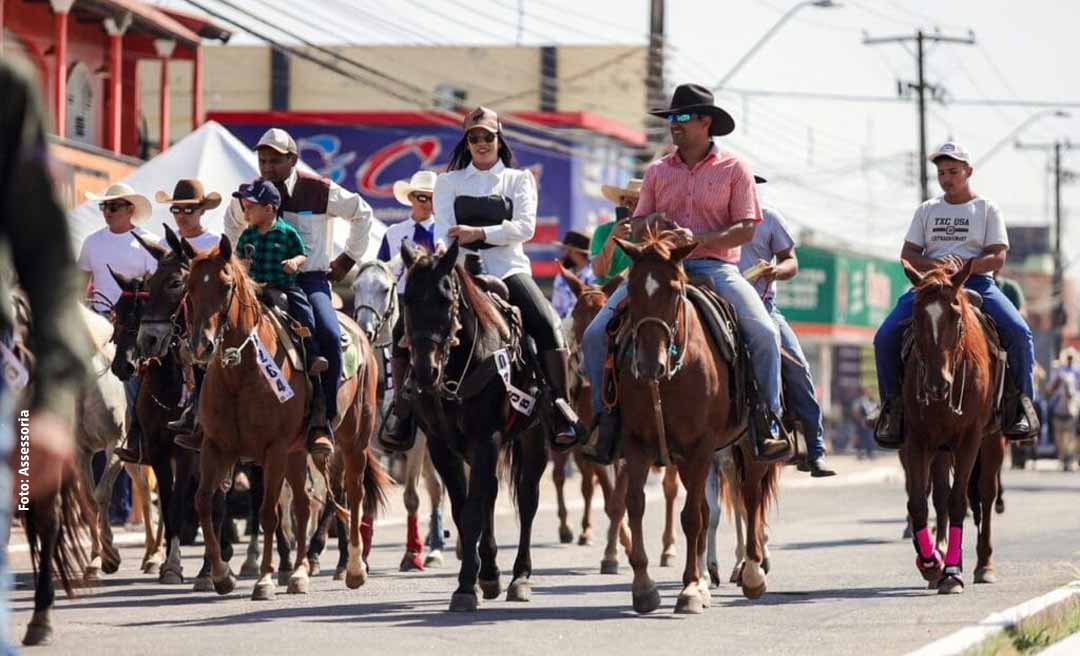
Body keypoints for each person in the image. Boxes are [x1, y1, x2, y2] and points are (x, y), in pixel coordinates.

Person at [580, 83, 789, 464]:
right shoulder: (658, 170)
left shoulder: (735, 169)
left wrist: (701, 238)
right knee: (595, 334)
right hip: (659, 268)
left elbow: (746, 228)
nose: (674, 125)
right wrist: (654, 222)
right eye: (671, 118)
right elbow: (638, 223)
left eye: (681, 118)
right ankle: (605, 420)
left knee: (763, 331)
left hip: (716, 267)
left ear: (705, 122)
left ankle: (767, 422)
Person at [0, 54, 91, 654]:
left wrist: (55, 402)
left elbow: (52, 266)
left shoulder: (5, 87)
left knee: (318, 326)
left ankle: (318, 416)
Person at [430, 106, 579, 451]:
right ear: (466, 142)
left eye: (488, 137)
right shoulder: (447, 182)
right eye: (474, 137)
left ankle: (561, 408)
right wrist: (444, 250)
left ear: (499, 140)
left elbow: (524, 228)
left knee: (548, 323)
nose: (481, 143)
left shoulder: (518, 179)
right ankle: (404, 407)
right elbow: (442, 229)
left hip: (508, 269)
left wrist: (477, 232)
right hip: (461, 270)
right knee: (415, 322)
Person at [873, 142, 1039, 447]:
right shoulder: (927, 210)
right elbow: (908, 254)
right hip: (933, 287)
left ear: (968, 172)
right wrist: (935, 265)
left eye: (953, 171)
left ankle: (1022, 406)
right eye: (941, 173)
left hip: (976, 284)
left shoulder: (987, 209)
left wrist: (968, 265)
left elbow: (998, 256)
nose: (946, 178)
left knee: (1019, 332)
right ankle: (893, 408)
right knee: (884, 337)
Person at [224, 128, 375, 456]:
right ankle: (205, 416)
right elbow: (231, 224)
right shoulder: (250, 193)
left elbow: (363, 214)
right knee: (219, 330)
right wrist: (239, 264)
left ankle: (323, 420)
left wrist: (348, 258)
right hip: (258, 282)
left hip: (308, 282)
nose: (267, 166)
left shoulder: (319, 189)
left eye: (275, 160)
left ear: (292, 159)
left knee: (330, 335)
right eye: (263, 160)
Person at [740, 181, 836, 478]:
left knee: (797, 366)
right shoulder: (715, 218)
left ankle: (813, 448)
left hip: (763, 306)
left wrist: (776, 271)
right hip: (719, 301)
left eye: (746, 183)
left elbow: (791, 261)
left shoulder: (769, 218)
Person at [80, 183, 156, 473]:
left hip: (132, 329)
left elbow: (156, 292)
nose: (107, 212)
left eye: (113, 207)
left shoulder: (148, 242)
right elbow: (79, 285)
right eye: (104, 207)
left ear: (130, 210)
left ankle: (136, 437)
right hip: (96, 322)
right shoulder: (92, 242)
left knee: (132, 383)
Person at [150, 179, 222, 443]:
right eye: (176, 210)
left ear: (203, 210)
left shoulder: (215, 242)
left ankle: (201, 418)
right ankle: (136, 431)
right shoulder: (163, 243)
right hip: (170, 320)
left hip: (205, 319)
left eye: (188, 210)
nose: (181, 215)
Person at [377, 170, 437, 448]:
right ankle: (401, 408)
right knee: (400, 338)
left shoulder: (447, 230)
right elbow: (380, 273)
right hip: (405, 302)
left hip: (440, 303)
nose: (427, 203)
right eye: (422, 197)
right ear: (411, 198)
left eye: (433, 199)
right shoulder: (394, 234)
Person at [591, 179, 641, 286]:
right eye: (628, 203)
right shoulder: (603, 231)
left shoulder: (651, 231)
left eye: (638, 203)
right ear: (621, 203)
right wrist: (612, 239)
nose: (632, 208)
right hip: (609, 290)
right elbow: (599, 272)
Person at [1047, 347, 1080, 471]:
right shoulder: (1060, 370)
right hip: (1060, 397)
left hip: (1075, 397)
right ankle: (1047, 427)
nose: (1070, 359)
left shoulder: (1077, 371)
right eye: (1068, 357)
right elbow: (1051, 387)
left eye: (1071, 357)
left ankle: (1071, 458)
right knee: (1050, 407)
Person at [550, 229, 595, 319]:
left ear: (574, 251)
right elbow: (556, 310)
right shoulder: (560, 278)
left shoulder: (594, 277)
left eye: (565, 250)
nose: (562, 254)